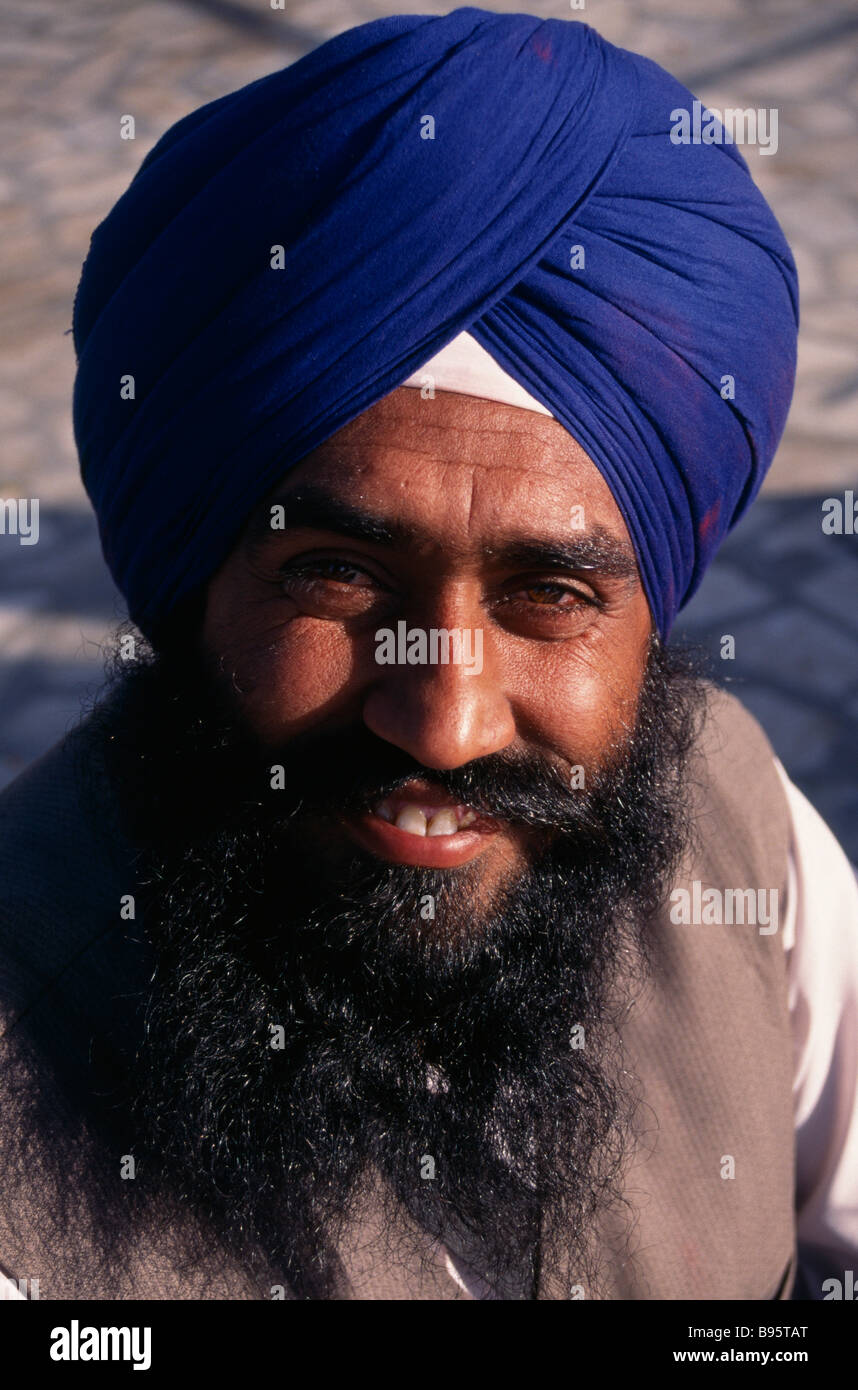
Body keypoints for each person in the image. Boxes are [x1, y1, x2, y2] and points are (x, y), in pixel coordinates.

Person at [1, 8, 855, 1301]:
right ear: (195, 582)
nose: (445, 722)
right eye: (338, 574)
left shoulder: (738, 836)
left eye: (550, 592)